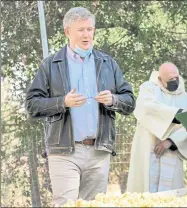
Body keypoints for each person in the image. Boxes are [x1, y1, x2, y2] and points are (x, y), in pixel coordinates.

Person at [25, 7, 135, 206]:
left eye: (90, 29)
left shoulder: (108, 63)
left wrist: (113, 100)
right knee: (66, 204)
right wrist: (62, 102)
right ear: (67, 32)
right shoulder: (50, 65)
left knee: (94, 205)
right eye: (81, 30)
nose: (87, 35)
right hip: (64, 151)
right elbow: (32, 105)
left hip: (99, 151)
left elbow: (130, 101)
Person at [127, 62, 187, 193]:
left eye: (176, 77)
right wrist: (176, 115)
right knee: (146, 190)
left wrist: (170, 141)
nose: (175, 81)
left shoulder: (186, 98)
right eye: (171, 79)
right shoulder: (149, 89)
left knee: (171, 194)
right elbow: (147, 109)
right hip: (149, 147)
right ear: (160, 78)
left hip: (172, 151)